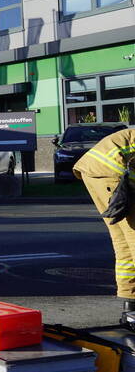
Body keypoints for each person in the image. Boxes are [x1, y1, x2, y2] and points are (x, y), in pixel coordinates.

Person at [73, 128, 135, 332]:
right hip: (111, 169)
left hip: (96, 168)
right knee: (132, 237)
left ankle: (130, 306)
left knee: (123, 242)